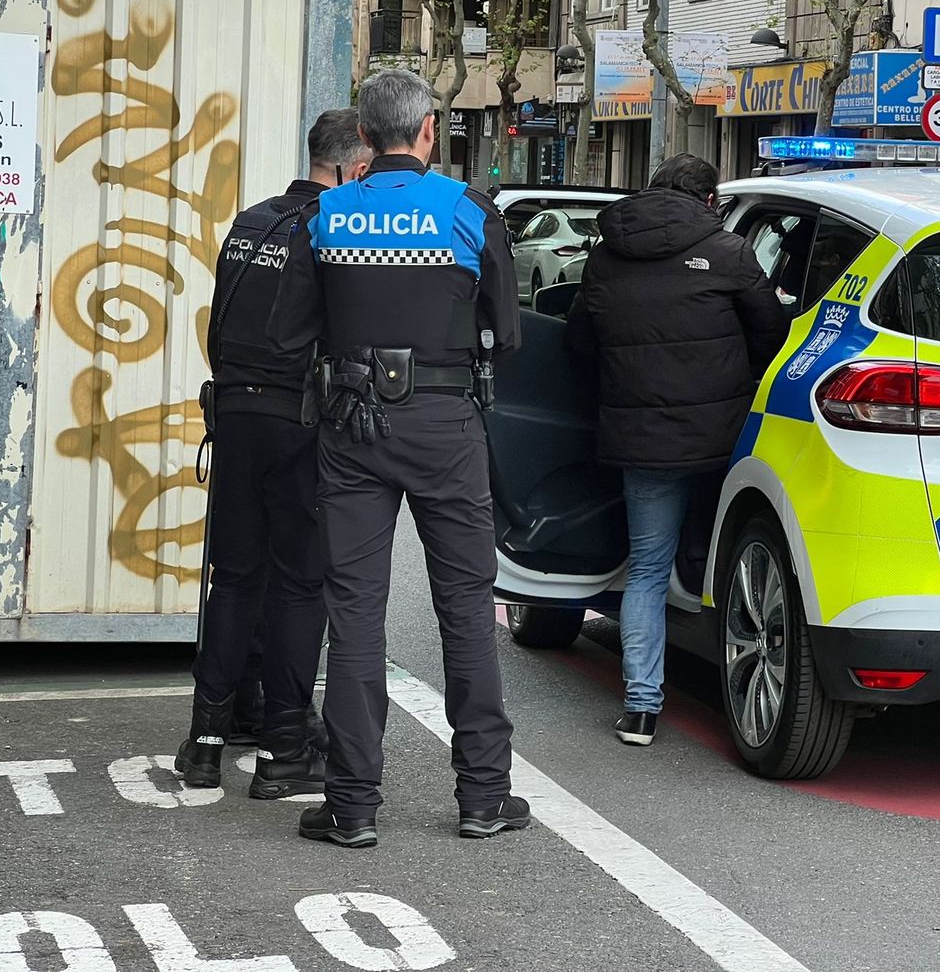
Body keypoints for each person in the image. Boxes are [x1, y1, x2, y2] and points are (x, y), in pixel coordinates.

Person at [269, 68, 525, 848]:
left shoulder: (325, 216)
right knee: (466, 609)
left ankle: (351, 807)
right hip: (447, 425)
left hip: (352, 425)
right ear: (427, 132)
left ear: (364, 135)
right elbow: (509, 334)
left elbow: (287, 335)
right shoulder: (469, 211)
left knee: (354, 614)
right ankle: (484, 798)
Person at [176, 108, 372, 798]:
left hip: (234, 412)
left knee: (232, 579)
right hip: (300, 420)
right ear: (354, 167)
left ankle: (205, 741)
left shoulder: (251, 222)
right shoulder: (335, 229)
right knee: (298, 585)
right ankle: (284, 746)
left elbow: (218, 324)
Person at [565, 153, 788, 746]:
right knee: (728, 550)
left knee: (646, 567)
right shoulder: (729, 251)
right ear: (710, 200)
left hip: (641, 440)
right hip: (724, 436)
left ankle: (641, 708)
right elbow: (772, 331)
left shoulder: (606, 254)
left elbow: (579, 341)